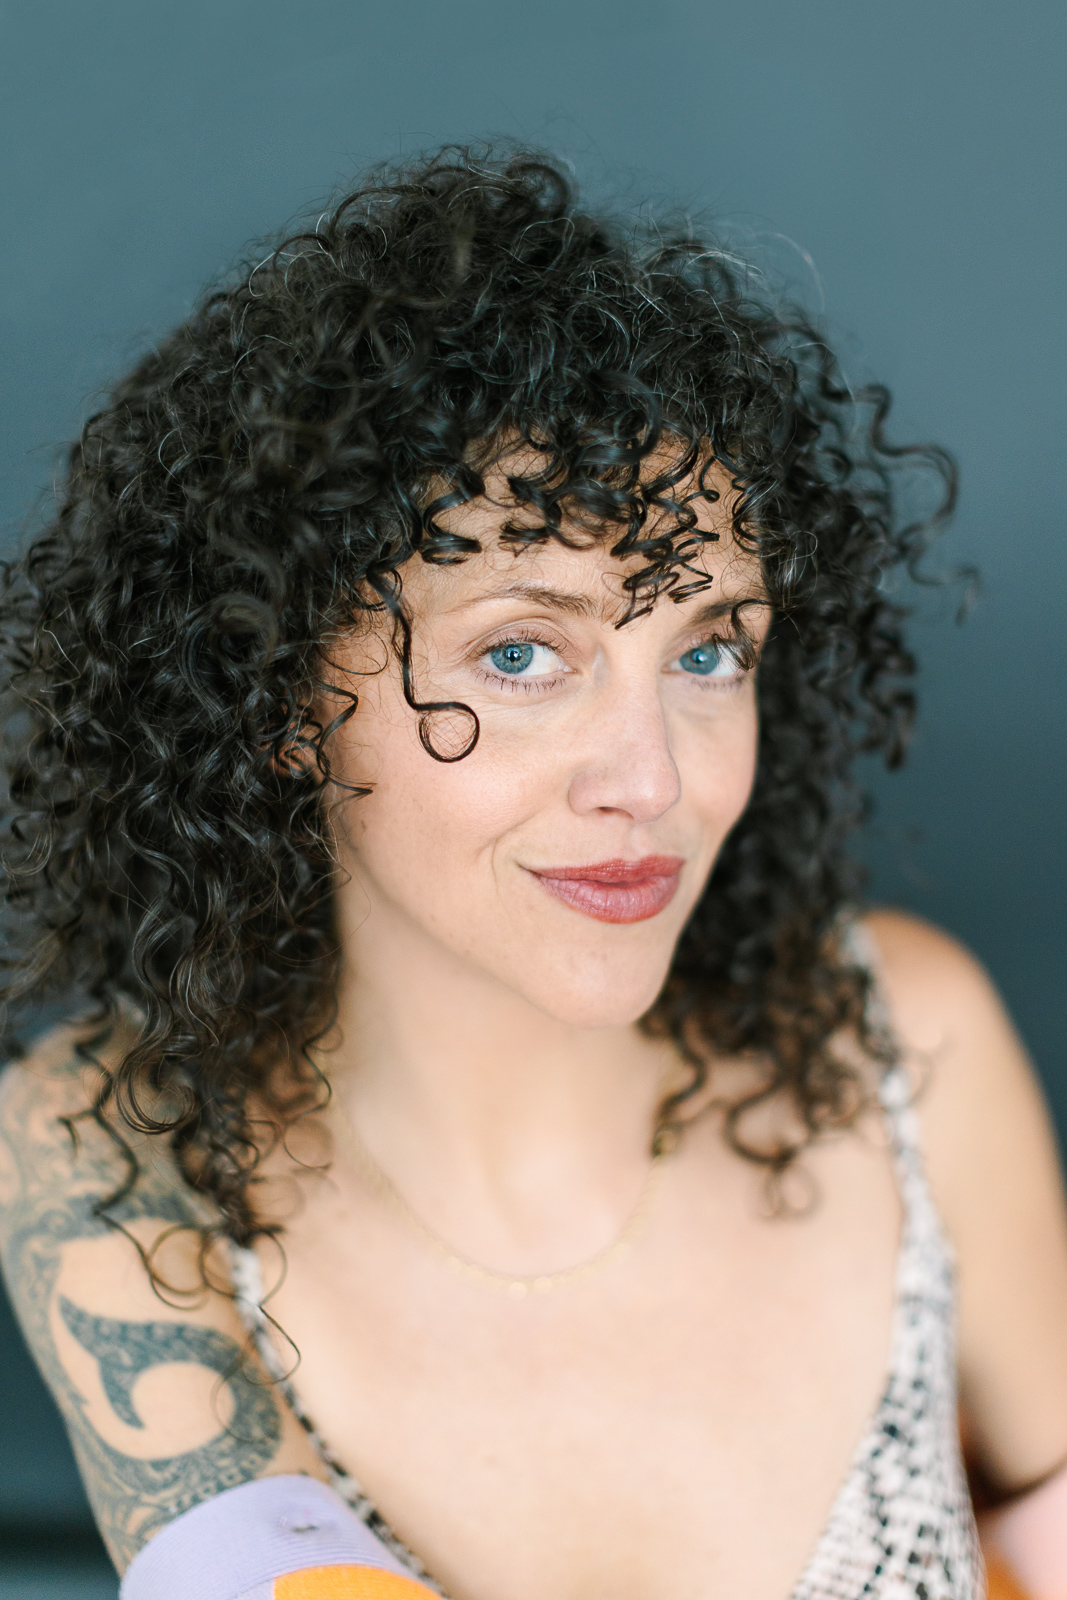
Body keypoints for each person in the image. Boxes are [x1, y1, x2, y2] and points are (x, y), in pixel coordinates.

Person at [0, 148, 1064, 1600]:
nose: (654, 777)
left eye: (706, 651)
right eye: (521, 653)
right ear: (277, 701)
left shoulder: (903, 1037)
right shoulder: (105, 1144)